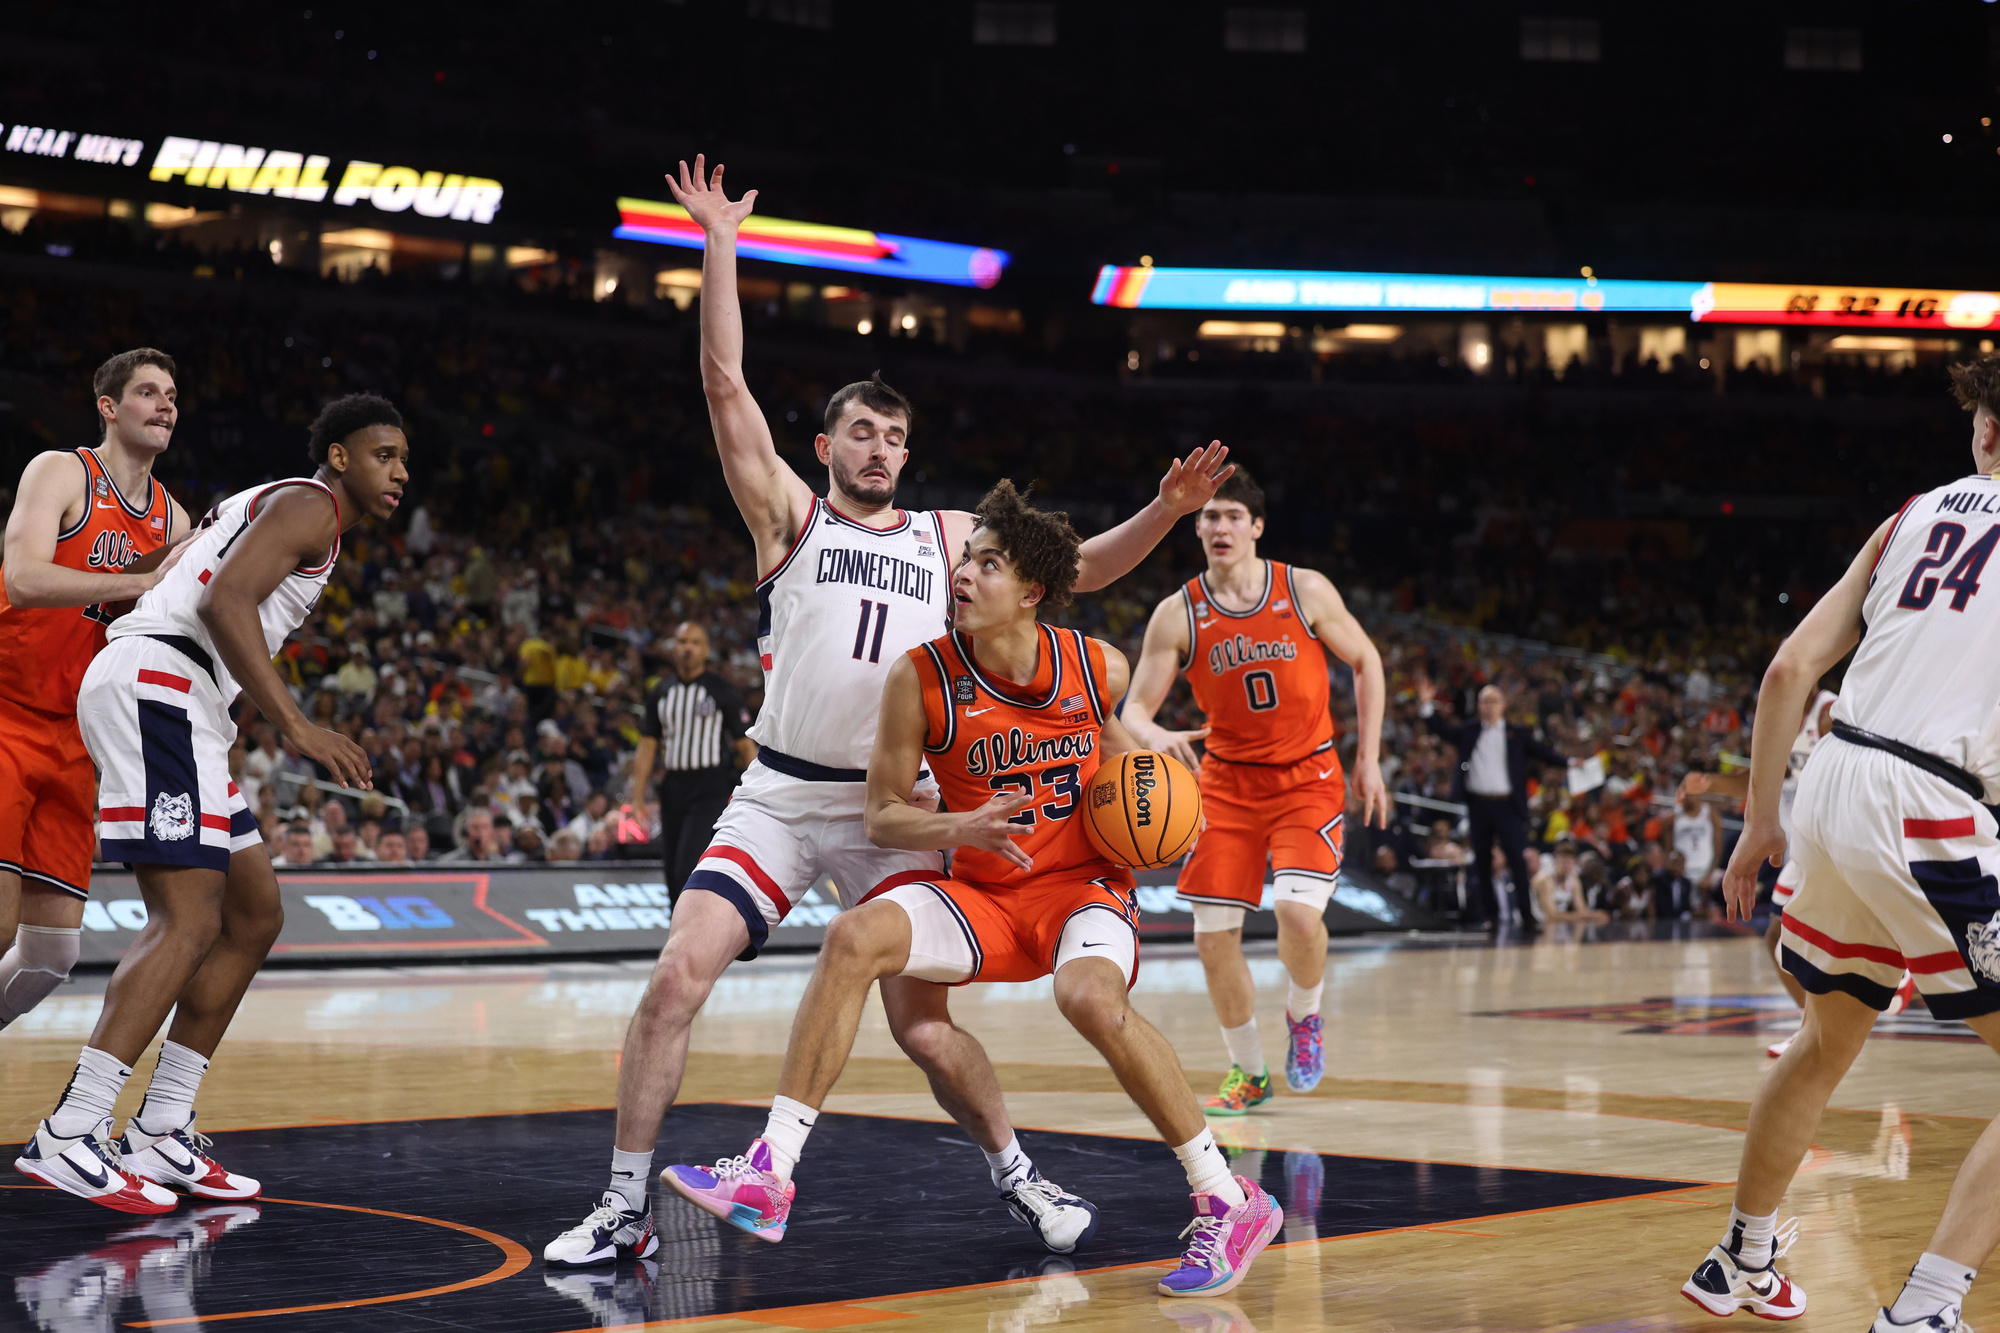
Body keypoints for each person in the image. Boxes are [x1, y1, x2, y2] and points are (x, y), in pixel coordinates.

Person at [541, 156, 1233, 1270]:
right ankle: (621, 1204)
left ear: (908, 454)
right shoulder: (788, 520)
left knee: (920, 1025)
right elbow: (724, 386)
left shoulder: (951, 542)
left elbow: (1083, 568)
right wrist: (718, 241)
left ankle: (1020, 1177)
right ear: (825, 446)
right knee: (676, 974)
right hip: (777, 793)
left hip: (898, 809)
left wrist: (1163, 507)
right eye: (859, 431)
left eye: (893, 436)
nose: (877, 448)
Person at [662, 483, 1283, 1298]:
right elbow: (883, 815)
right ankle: (771, 1170)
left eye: (987, 565)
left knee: (1088, 998)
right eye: (964, 560)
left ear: (1029, 591)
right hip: (985, 893)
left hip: (1078, 889)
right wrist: (960, 828)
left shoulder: (1097, 665)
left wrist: (1171, 811)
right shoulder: (918, 677)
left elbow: (1131, 766)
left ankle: (1225, 1195)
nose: (963, 576)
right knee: (854, 939)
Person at [15, 392, 399, 1213]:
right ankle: (73, 1128)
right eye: (382, 454)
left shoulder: (295, 509)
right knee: (186, 919)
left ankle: (160, 1128)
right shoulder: (311, 506)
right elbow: (225, 602)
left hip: (184, 698)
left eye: (403, 459)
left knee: (255, 913)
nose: (399, 471)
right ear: (338, 456)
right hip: (158, 682)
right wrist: (294, 724)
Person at [1678, 353, 2000, 1329]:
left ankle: (1738, 1253)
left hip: (1827, 778)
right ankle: (1926, 1306)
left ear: (1981, 428)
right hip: (1927, 801)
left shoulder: (1907, 516)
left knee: (1824, 1038)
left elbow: (1785, 671)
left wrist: (1758, 817)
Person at [1121, 467, 1390, 1114]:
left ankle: (1305, 1013)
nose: (1219, 526)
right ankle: (1249, 1071)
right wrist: (1152, 733)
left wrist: (1370, 759)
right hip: (1226, 785)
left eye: (1232, 516)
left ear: (1256, 527)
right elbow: (1133, 708)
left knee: (1298, 916)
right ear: (1197, 527)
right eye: (1209, 516)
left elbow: (1367, 661)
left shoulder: (1302, 588)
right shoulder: (1178, 611)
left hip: (1308, 776)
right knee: (1212, 939)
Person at [0, 349, 191, 1032]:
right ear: (109, 407)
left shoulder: (174, 522)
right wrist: (140, 582)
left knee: (50, 955)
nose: (165, 403)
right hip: (7, 711)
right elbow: (22, 577)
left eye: (171, 394)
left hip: (79, 735)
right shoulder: (62, 470)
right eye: (147, 392)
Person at [1415, 679, 1572, 932]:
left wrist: (1570, 762)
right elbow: (1441, 730)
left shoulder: (1516, 733)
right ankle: (1492, 916)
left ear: (1503, 705)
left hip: (1506, 805)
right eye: (1483, 701)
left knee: (1517, 861)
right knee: (1482, 861)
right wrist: (1425, 704)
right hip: (1478, 804)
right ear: (1477, 706)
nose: (1487, 706)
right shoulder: (1469, 730)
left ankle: (1527, 916)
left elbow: (1542, 752)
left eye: (1493, 701)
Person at [631, 621, 754, 899]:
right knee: (672, 870)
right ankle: (679, 936)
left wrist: (762, 791)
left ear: (706, 649)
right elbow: (647, 745)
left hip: (709, 786)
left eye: (695, 642)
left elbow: (745, 744)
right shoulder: (661, 692)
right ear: (674, 647)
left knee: (689, 864)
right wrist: (637, 795)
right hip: (673, 785)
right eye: (682, 641)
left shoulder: (721, 690)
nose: (687, 648)